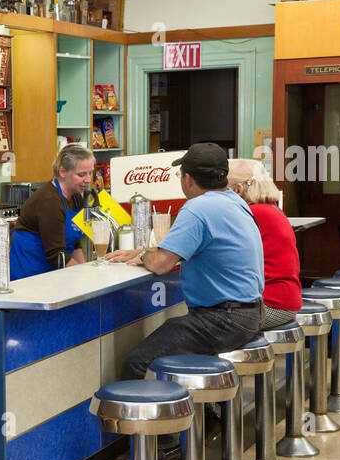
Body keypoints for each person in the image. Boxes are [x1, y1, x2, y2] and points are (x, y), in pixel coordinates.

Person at [106, 142, 264, 381]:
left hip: (224, 320)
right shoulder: (236, 201)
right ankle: (206, 415)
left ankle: (160, 417)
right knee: (189, 349)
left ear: (188, 179)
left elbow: (161, 264)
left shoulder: (197, 208)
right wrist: (148, 250)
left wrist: (143, 255)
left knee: (137, 362)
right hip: (252, 314)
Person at [228, 158, 301, 329]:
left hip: (270, 304)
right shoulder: (272, 208)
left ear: (238, 190)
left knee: (208, 323)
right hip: (287, 300)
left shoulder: (252, 213)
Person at [8, 143, 90, 280]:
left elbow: (75, 245)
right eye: (81, 174)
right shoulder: (49, 201)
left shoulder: (76, 197)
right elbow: (56, 255)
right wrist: (84, 277)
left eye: (90, 172)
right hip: (31, 275)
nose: (88, 179)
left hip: (55, 274)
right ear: (62, 171)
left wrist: (86, 273)